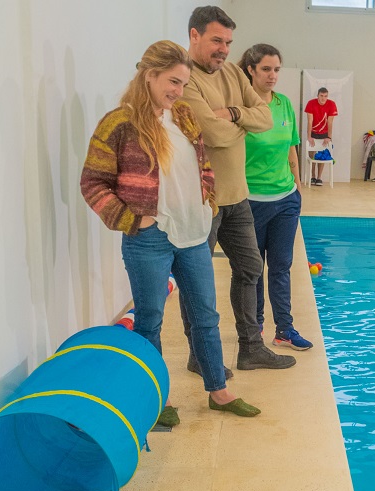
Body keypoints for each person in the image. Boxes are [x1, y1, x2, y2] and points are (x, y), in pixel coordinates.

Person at [80, 40, 260, 426]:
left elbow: (203, 163)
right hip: (149, 239)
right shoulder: (119, 123)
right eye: (173, 82)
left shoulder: (182, 116)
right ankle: (153, 399)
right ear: (150, 76)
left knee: (206, 316)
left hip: (193, 233)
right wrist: (131, 220)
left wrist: (207, 199)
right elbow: (92, 182)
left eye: (183, 83)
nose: (179, 91)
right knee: (149, 320)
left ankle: (218, 390)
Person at [181, 6, 296, 372]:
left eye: (228, 42)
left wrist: (232, 115)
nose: (224, 50)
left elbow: (264, 116)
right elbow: (210, 134)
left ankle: (251, 348)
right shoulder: (185, 77)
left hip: (237, 196)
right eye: (216, 40)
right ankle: (199, 356)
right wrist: (242, 122)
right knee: (197, 283)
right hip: (204, 200)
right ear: (195, 35)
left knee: (250, 268)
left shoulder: (231, 71)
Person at [237, 44, 312, 351]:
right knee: (253, 270)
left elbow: (291, 146)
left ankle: (285, 329)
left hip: (285, 201)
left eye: (277, 69)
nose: (272, 76)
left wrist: (296, 184)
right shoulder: (240, 107)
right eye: (266, 69)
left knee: (281, 268)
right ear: (251, 70)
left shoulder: (284, 104)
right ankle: (254, 333)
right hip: (250, 202)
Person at [304, 87, 337, 186]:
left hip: (324, 133)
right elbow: (310, 121)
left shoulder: (331, 104)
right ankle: (313, 176)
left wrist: (329, 137)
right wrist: (309, 136)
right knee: (312, 155)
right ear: (318, 95)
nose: (323, 98)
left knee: (322, 155)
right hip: (314, 131)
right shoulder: (311, 103)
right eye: (321, 96)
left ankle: (319, 177)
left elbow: (330, 122)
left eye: (325, 96)